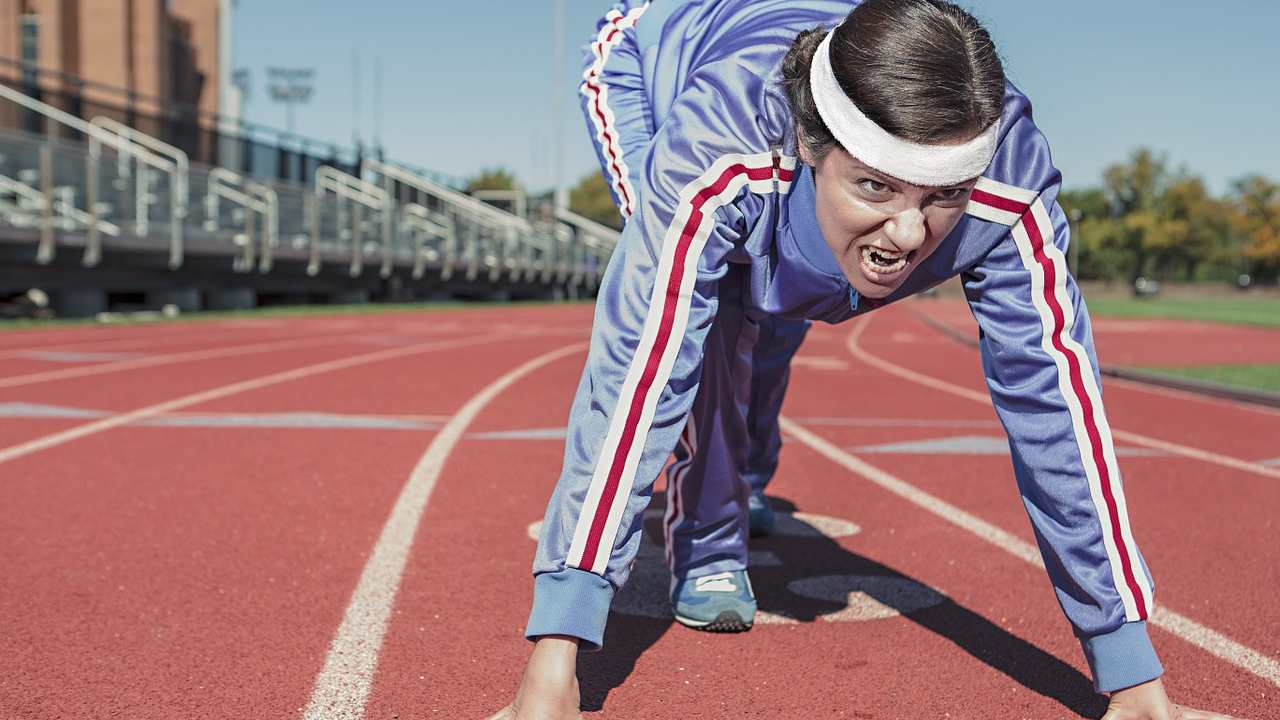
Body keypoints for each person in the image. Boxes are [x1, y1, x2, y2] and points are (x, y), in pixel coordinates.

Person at [495, 1, 1241, 718]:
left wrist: (1130, 671)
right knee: (718, 307)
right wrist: (558, 652)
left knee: (785, 303)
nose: (910, 234)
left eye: (942, 194)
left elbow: (1056, 406)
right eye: (876, 186)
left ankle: (745, 476)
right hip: (652, 55)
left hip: (820, 112)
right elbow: (640, 370)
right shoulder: (718, 145)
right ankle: (710, 537)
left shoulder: (1008, 177)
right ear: (813, 149)